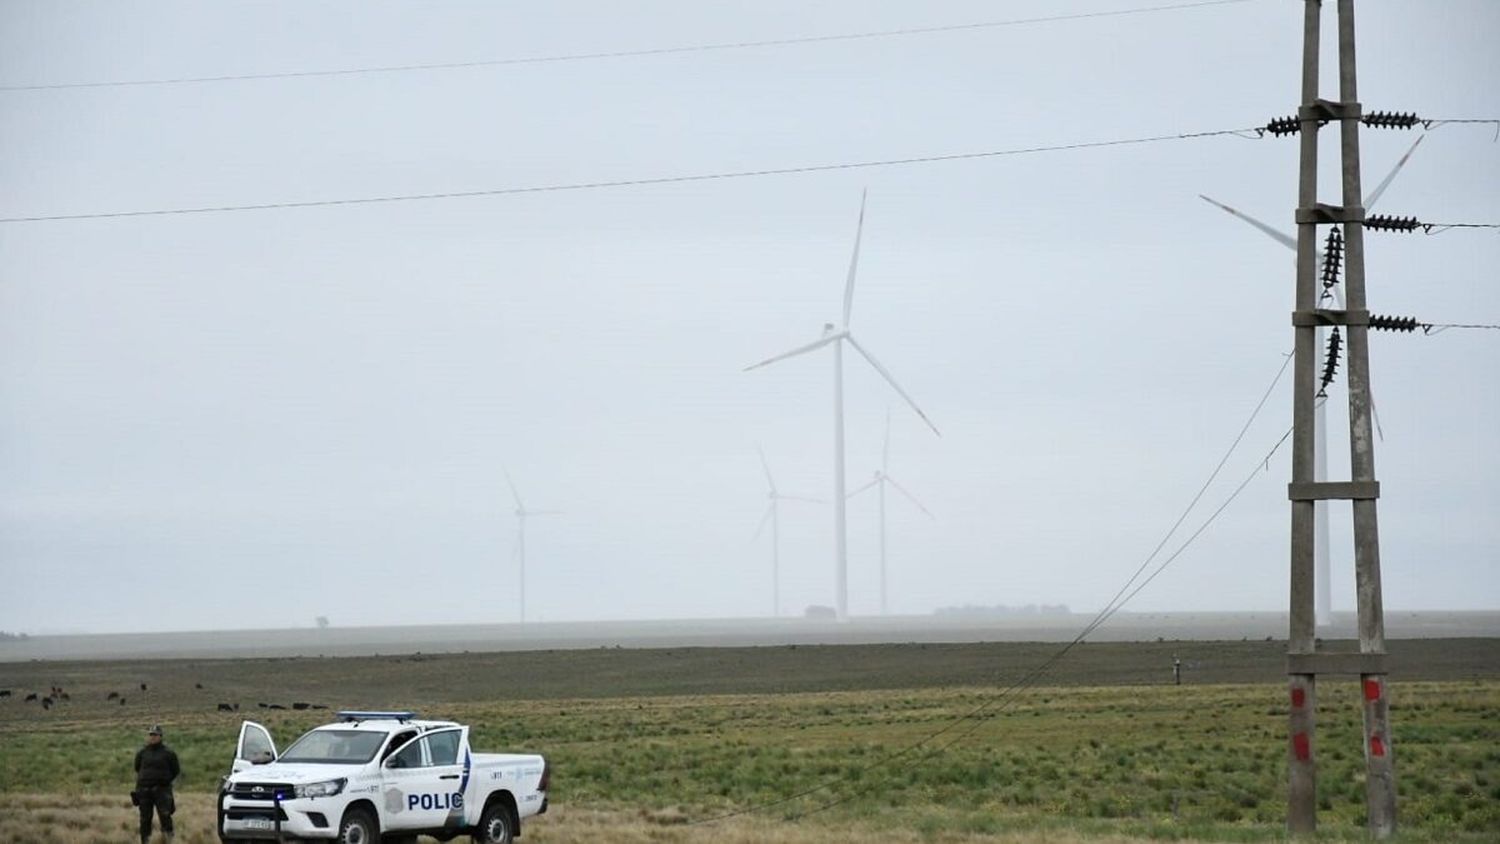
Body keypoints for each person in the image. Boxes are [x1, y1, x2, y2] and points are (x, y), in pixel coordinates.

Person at [133, 724, 181, 844]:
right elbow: (137, 767)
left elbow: (175, 770)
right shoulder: (142, 753)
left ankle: (168, 840)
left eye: (155, 735)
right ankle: (145, 841)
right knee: (145, 820)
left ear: (160, 736)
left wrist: (165, 780)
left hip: (162, 791)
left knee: (165, 817)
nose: (152, 737)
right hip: (145, 791)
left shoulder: (168, 753)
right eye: (151, 735)